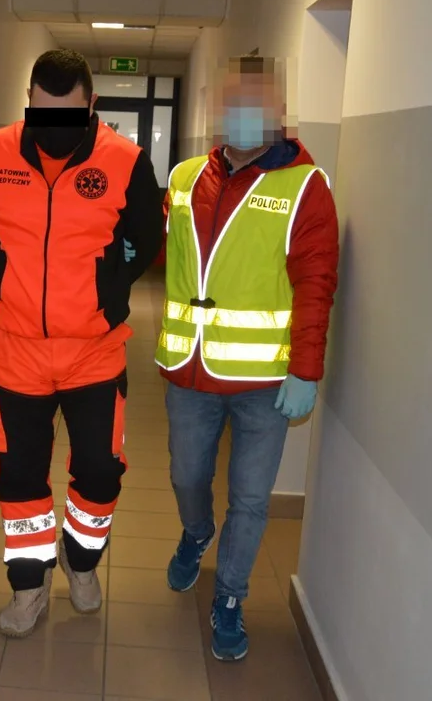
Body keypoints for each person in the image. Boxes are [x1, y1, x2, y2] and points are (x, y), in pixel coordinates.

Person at [0, 50, 164, 637]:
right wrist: (5, 277)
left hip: (93, 352)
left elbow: (146, 235)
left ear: (92, 105)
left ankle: (81, 562)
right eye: (42, 113)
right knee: (20, 476)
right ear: (28, 103)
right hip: (15, 350)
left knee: (100, 471)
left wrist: (107, 287)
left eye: (68, 115)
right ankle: (28, 586)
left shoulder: (125, 161)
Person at [157, 55, 339, 661]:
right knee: (186, 476)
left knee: (252, 498)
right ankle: (196, 533)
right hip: (190, 371)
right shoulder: (185, 178)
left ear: (278, 112)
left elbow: (316, 281)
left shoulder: (305, 187)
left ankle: (230, 597)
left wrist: (306, 368)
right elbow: (168, 250)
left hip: (265, 380)